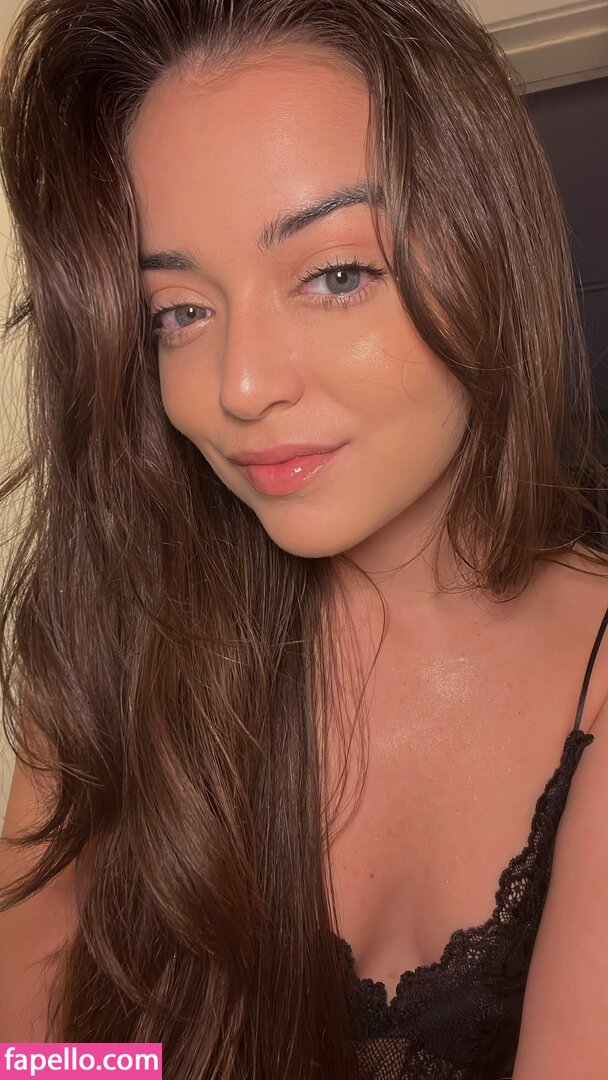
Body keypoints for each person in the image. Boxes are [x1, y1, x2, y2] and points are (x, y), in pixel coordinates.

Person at [0, 0, 607, 1076]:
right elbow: (37, 1055)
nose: (238, 387)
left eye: (334, 275)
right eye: (178, 311)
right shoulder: (112, 633)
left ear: (490, 254)